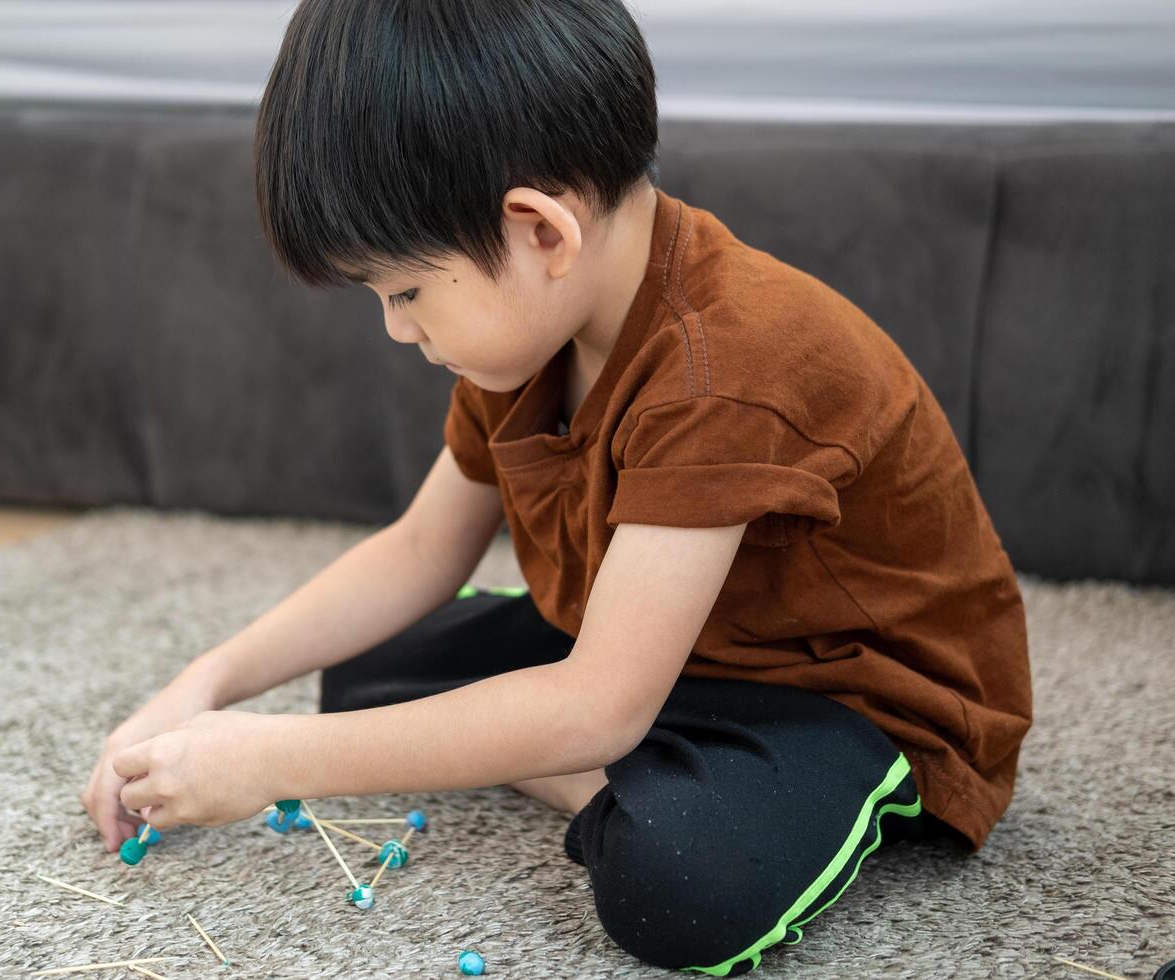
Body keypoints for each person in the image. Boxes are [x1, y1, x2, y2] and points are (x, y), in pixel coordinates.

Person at [81, 0, 1032, 973]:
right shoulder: (528, 339)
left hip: (845, 694)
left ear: (539, 231)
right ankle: (605, 749)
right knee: (365, 673)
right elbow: (418, 550)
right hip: (665, 651)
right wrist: (205, 685)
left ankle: (639, 776)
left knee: (677, 879)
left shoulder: (723, 364)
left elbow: (602, 710)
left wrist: (273, 759)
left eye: (405, 291)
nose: (397, 330)